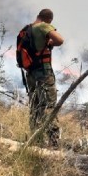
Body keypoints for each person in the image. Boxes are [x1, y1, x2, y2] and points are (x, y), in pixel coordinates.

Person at [25, 9, 64, 146]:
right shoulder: (43, 26)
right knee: (48, 105)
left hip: (30, 73)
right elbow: (60, 40)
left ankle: (36, 141)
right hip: (43, 72)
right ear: (49, 20)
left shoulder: (28, 29)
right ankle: (54, 143)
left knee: (35, 106)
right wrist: (50, 43)